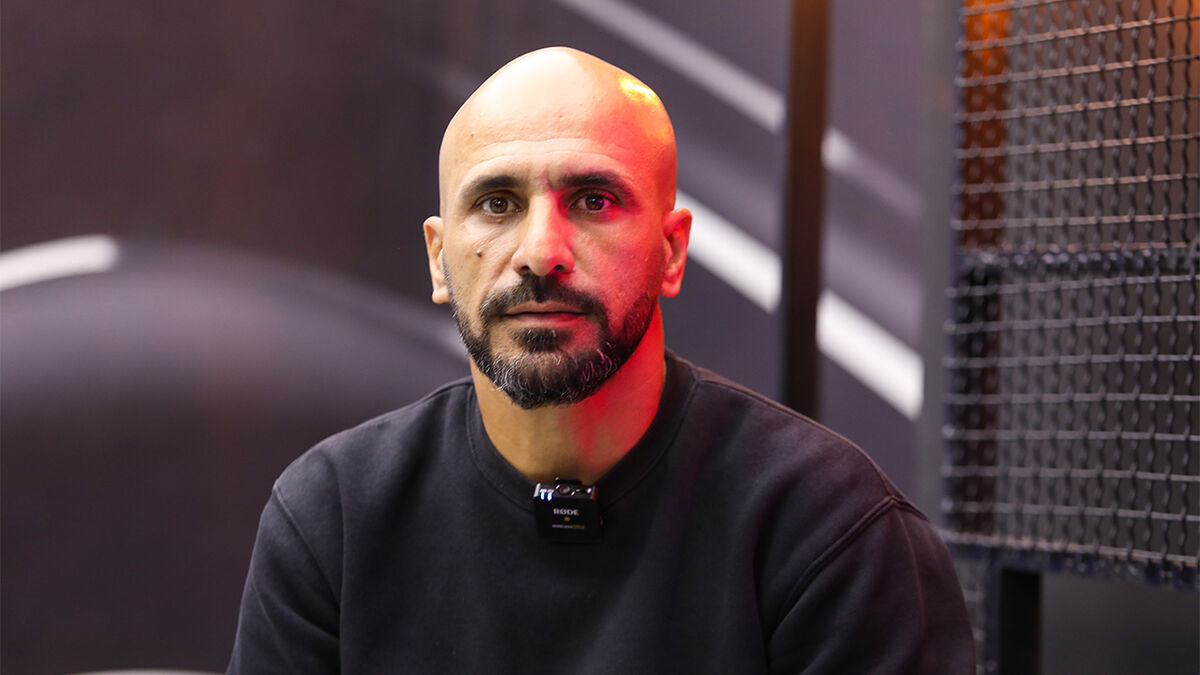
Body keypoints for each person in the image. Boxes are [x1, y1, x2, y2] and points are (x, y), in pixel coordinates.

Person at [228, 46, 975, 673]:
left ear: (672, 251)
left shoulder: (830, 531)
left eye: (593, 200)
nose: (540, 253)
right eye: (496, 203)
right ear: (438, 257)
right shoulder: (334, 517)